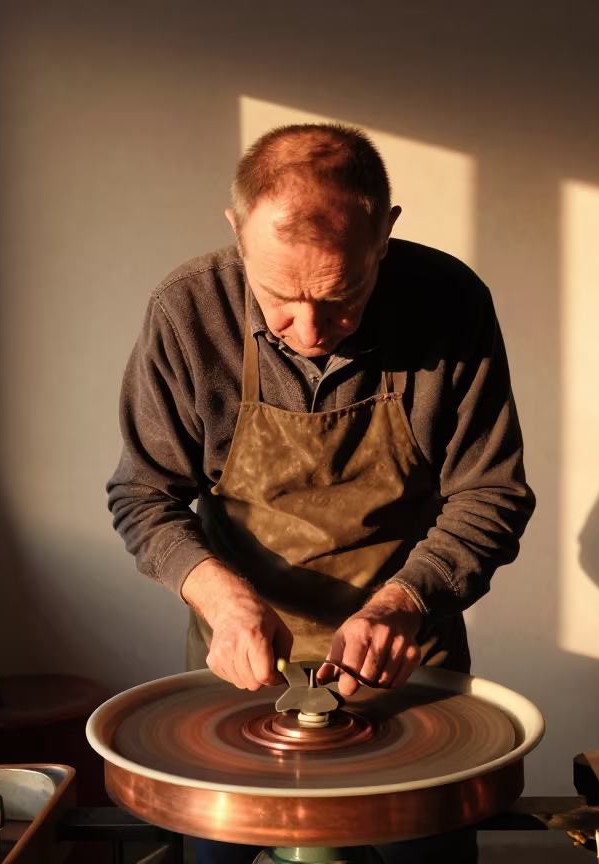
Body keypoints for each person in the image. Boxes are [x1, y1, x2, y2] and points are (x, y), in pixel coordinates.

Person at [108, 123, 535, 864]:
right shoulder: (186, 312)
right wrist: (220, 598)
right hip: (238, 668)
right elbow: (143, 495)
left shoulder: (450, 304)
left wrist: (406, 601)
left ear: (385, 236)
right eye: (279, 297)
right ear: (237, 231)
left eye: (343, 297)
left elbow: (490, 495)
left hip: (408, 662)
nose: (310, 330)